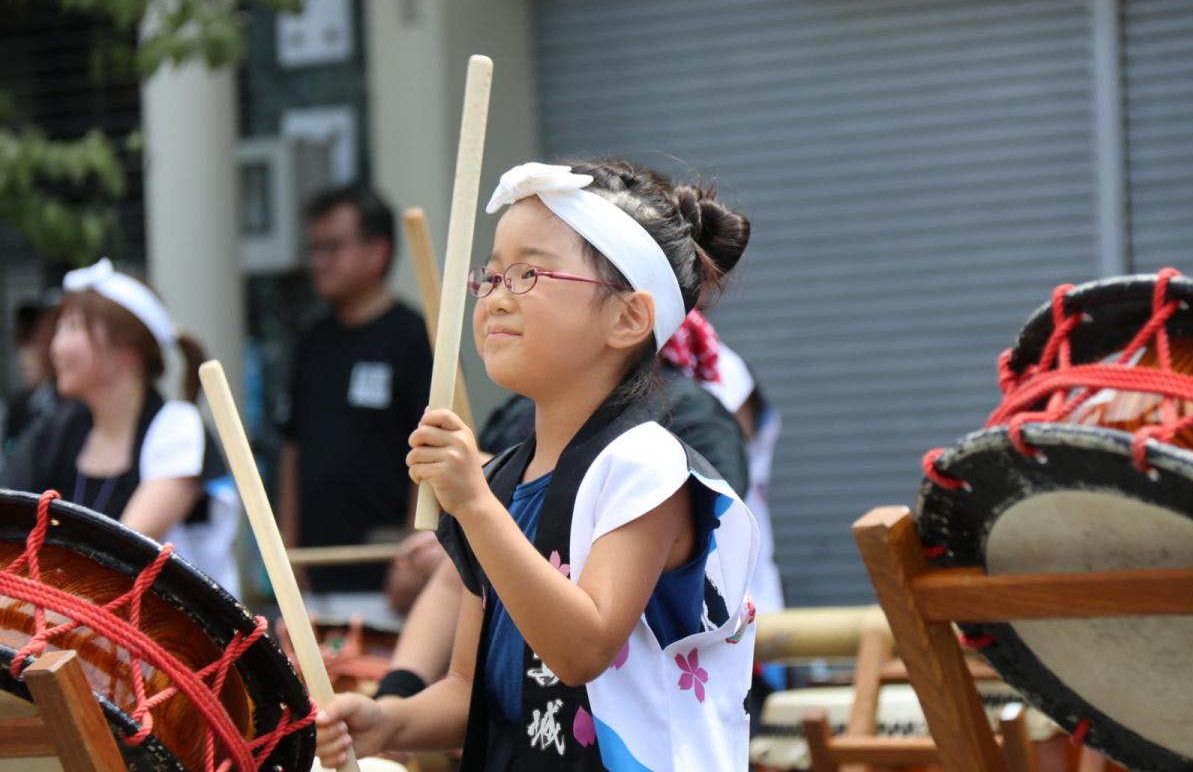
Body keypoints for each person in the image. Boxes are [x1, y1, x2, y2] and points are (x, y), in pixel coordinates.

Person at [316, 160, 759, 771]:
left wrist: (472, 505)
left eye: (527, 273)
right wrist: (386, 721)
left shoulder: (647, 464)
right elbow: (473, 690)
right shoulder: (500, 481)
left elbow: (582, 647)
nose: (496, 295)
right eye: (491, 275)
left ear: (628, 317)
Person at [1, 258, 240, 595]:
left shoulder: (177, 429)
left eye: (70, 328)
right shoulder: (56, 433)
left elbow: (121, 553)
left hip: (180, 643)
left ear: (125, 350)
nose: (55, 348)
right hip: (76, 636)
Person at [278, 184, 434, 615]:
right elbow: (293, 450)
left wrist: (413, 554)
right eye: (314, 247)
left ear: (378, 250)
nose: (318, 262)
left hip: (388, 580)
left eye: (333, 246)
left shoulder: (413, 338)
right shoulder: (311, 341)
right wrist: (288, 550)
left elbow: (434, 454)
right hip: (315, 579)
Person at [4, 295, 60, 454]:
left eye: (33, 341)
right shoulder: (17, 409)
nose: (23, 356)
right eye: (22, 343)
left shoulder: (78, 408)